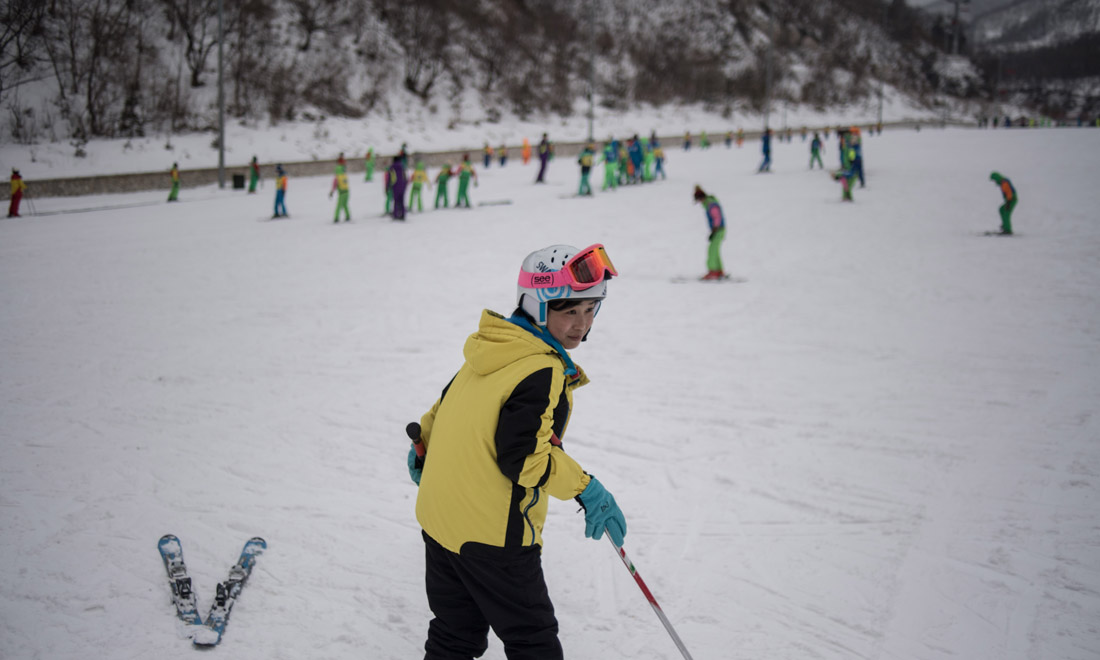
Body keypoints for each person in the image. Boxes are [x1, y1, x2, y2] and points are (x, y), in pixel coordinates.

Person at [408, 243, 626, 660]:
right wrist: (586, 488)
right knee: (532, 641)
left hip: (440, 522)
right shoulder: (540, 368)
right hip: (494, 537)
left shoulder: (495, 344)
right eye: (569, 311)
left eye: (591, 309)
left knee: (456, 634)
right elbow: (524, 459)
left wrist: (425, 449)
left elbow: (445, 408)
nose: (581, 324)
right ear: (537, 306)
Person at [694, 186, 726, 280]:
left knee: (711, 250)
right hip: (719, 230)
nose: (700, 203)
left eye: (699, 201)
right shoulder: (710, 203)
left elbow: (717, 218)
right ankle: (719, 270)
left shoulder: (711, 205)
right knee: (715, 250)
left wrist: (714, 231)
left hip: (718, 230)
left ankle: (713, 271)